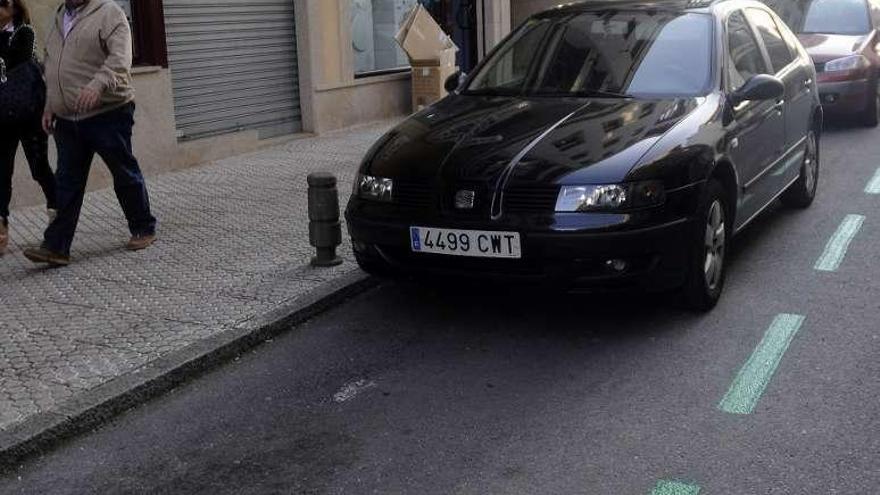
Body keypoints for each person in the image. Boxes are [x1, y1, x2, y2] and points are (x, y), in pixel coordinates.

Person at [24, 0, 156, 267]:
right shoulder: (58, 17)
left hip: (108, 112)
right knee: (67, 183)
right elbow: (52, 65)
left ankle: (143, 227)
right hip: (67, 118)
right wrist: (50, 105)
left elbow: (120, 58)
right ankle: (56, 247)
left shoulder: (109, 13)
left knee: (123, 171)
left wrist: (98, 85)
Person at [0, 0, 57, 256]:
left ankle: (57, 213)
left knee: (39, 167)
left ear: (14, 9)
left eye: (3, 4)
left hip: (29, 113)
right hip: (3, 116)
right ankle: (1, 228)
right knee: (2, 172)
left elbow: (15, 63)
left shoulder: (25, 33)